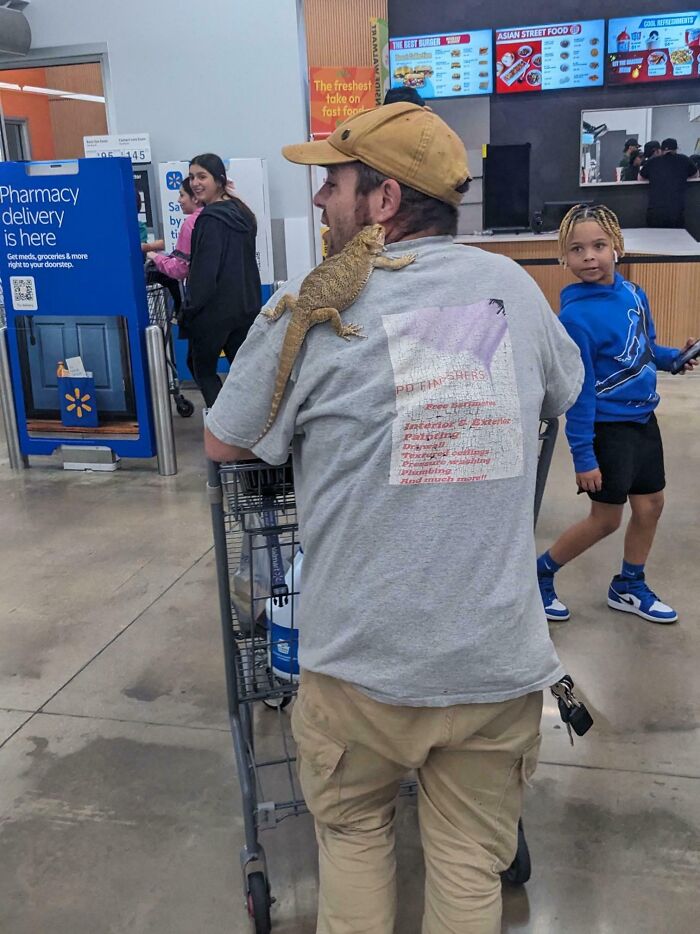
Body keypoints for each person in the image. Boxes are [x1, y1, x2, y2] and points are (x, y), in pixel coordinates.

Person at [204, 102, 584, 933]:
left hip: (363, 668)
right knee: (467, 868)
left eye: (332, 185)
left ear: (382, 201)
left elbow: (224, 440)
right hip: (496, 660)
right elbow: (565, 387)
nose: (318, 203)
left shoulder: (312, 311)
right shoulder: (512, 289)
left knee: (354, 840)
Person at [537, 203, 698, 625]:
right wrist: (584, 457)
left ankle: (628, 584)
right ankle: (540, 574)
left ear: (617, 248)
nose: (589, 256)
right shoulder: (574, 318)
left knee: (651, 506)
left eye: (598, 245)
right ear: (564, 257)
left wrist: (674, 359)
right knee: (606, 518)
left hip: (644, 420)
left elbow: (644, 351)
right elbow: (581, 393)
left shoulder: (633, 294)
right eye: (577, 249)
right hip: (608, 429)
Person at [180, 153, 261, 407]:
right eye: (192, 177)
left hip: (213, 313)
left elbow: (204, 273)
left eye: (202, 176)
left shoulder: (209, 219)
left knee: (200, 367)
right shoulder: (243, 213)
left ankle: (224, 425)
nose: (195, 183)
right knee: (244, 373)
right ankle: (250, 424)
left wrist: (189, 310)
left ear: (219, 180)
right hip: (245, 308)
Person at [147, 177, 202, 281]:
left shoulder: (191, 223)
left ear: (195, 197)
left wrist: (155, 257)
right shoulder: (218, 215)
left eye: (182, 195)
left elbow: (180, 269)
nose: (179, 200)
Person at [639, 137, 698, 227]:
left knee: (654, 239)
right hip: (676, 211)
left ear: (661, 150)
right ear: (676, 149)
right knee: (675, 239)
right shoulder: (684, 160)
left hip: (655, 211)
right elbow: (695, 175)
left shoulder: (652, 162)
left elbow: (640, 178)